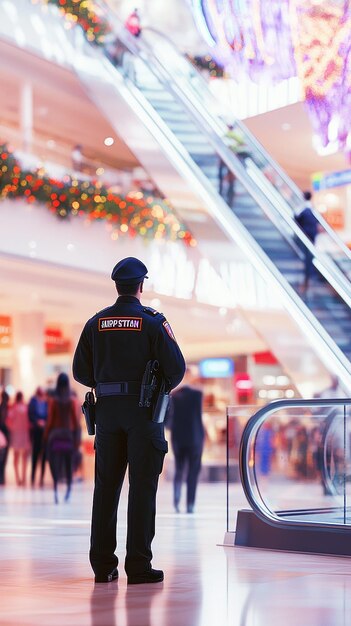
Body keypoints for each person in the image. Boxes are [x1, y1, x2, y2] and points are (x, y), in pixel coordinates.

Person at [73, 256, 185, 584]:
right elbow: (176, 368)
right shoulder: (152, 321)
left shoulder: (96, 323)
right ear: (141, 285)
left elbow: (80, 372)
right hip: (144, 412)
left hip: (106, 414)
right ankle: (138, 565)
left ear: (117, 286)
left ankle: (103, 566)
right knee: (142, 488)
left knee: (105, 489)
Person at [166, 368, 204, 513]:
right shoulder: (197, 395)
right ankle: (190, 503)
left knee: (179, 469)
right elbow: (198, 418)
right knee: (193, 471)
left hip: (178, 438)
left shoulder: (173, 396)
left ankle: (176, 498)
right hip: (195, 438)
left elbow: (167, 419)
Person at [44, 373, 80, 504]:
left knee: (51, 458)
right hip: (68, 435)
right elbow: (75, 422)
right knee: (69, 462)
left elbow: (50, 422)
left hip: (55, 434)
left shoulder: (54, 401)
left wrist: (46, 436)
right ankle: (69, 488)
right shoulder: (72, 401)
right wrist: (76, 440)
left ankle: (55, 488)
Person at [294, 190, 321, 294]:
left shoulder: (303, 209)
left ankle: (307, 275)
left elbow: (296, 218)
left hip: (306, 236)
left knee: (307, 256)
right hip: (312, 235)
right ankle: (309, 275)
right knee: (309, 256)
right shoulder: (313, 209)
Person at [7, 391, 31, 486]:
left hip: (16, 434)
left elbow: (8, 420)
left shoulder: (14, 408)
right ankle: (24, 477)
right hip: (25, 434)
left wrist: (13, 428)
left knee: (16, 457)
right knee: (24, 458)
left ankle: (18, 478)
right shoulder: (26, 408)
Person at [28, 386, 48, 487]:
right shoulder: (33, 401)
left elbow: (48, 415)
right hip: (36, 431)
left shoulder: (46, 402)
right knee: (35, 455)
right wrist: (37, 422)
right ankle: (32, 477)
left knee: (43, 456)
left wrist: (44, 422)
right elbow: (30, 414)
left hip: (44, 432)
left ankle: (41, 478)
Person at [0, 390, 10, 485]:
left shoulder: (3, 407)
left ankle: (2, 477)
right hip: (4, 434)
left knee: (1, 457)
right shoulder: (7, 408)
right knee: (3, 457)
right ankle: (1, 477)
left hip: (2, 434)